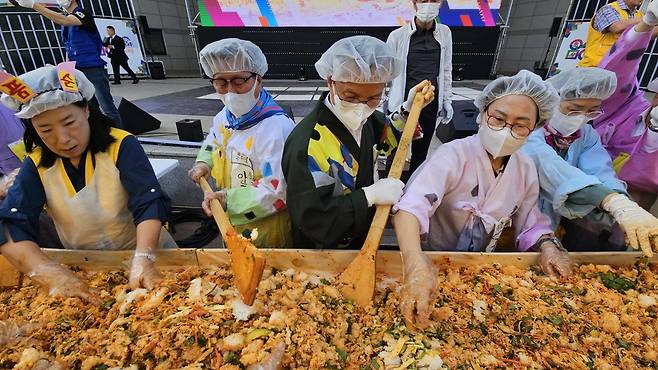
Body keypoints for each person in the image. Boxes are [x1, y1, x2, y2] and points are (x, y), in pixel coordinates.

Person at [393, 70, 572, 330]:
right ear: (483, 114)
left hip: (480, 268)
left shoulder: (524, 168)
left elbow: (530, 220)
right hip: (433, 259)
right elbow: (411, 207)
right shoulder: (453, 155)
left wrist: (547, 245)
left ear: (533, 129)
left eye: (520, 125)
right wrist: (415, 263)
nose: (506, 131)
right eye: (498, 119)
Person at [0, 63, 175, 301]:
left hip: (150, 254)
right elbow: (11, 223)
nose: (62, 139)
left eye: (69, 122)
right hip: (88, 269)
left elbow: (148, 200)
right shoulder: (37, 164)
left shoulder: (121, 145)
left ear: (86, 111)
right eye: (45, 129)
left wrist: (144, 257)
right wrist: (48, 273)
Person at [282, 35, 433, 249]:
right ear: (330, 82)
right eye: (351, 97)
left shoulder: (368, 120)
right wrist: (368, 196)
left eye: (374, 98)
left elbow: (388, 139)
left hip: (363, 237)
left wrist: (408, 109)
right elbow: (313, 219)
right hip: (323, 252)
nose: (362, 107)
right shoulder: (307, 143)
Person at [521, 67, 658, 255]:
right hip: (521, 212)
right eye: (573, 110)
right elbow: (551, 167)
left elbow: (600, 170)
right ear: (552, 101)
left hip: (552, 217)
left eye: (592, 111)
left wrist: (622, 203)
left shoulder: (586, 134)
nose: (581, 117)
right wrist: (610, 200)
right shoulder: (528, 129)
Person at [188, 39, 295, 248]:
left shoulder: (276, 128)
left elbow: (277, 190)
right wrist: (204, 162)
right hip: (231, 219)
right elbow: (214, 140)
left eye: (239, 81)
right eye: (221, 82)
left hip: (266, 227)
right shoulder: (225, 117)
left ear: (258, 80)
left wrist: (228, 200)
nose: (230, 91)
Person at [592, 2, 658, 212]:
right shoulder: (627, 104)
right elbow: (619, 66)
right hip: (595, 80)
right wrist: (645, 23)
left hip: (627, 221)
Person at [16, 0, 124, 128]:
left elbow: (65, 20)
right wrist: (65, 67)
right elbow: (69, 46)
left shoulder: (82, 13)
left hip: (92, 68)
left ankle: (121, 139)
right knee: (89, 108)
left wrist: (35, 5)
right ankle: (99, 137)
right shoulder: (66, 21)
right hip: (76, 70)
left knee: (107, 107)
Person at [386, 0, 452, 179]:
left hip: (429, 104)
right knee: (395, 151)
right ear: (414, 3)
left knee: (420, 155)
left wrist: (447, 100)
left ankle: (413, 194)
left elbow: (446, 69)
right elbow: (386, 72)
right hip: (402, 106)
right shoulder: (397, 36)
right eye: (423, 0)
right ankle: (389, 189)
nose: (428, 4)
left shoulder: (445, 33)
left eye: (434, 0)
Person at [579, 0, 644, 67]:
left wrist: (654, 20)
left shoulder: (639, 15)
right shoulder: (608, 9)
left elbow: (650, 34)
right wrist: (646, 19)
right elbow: (616, 27)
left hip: (620, 70)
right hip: (595, 68)